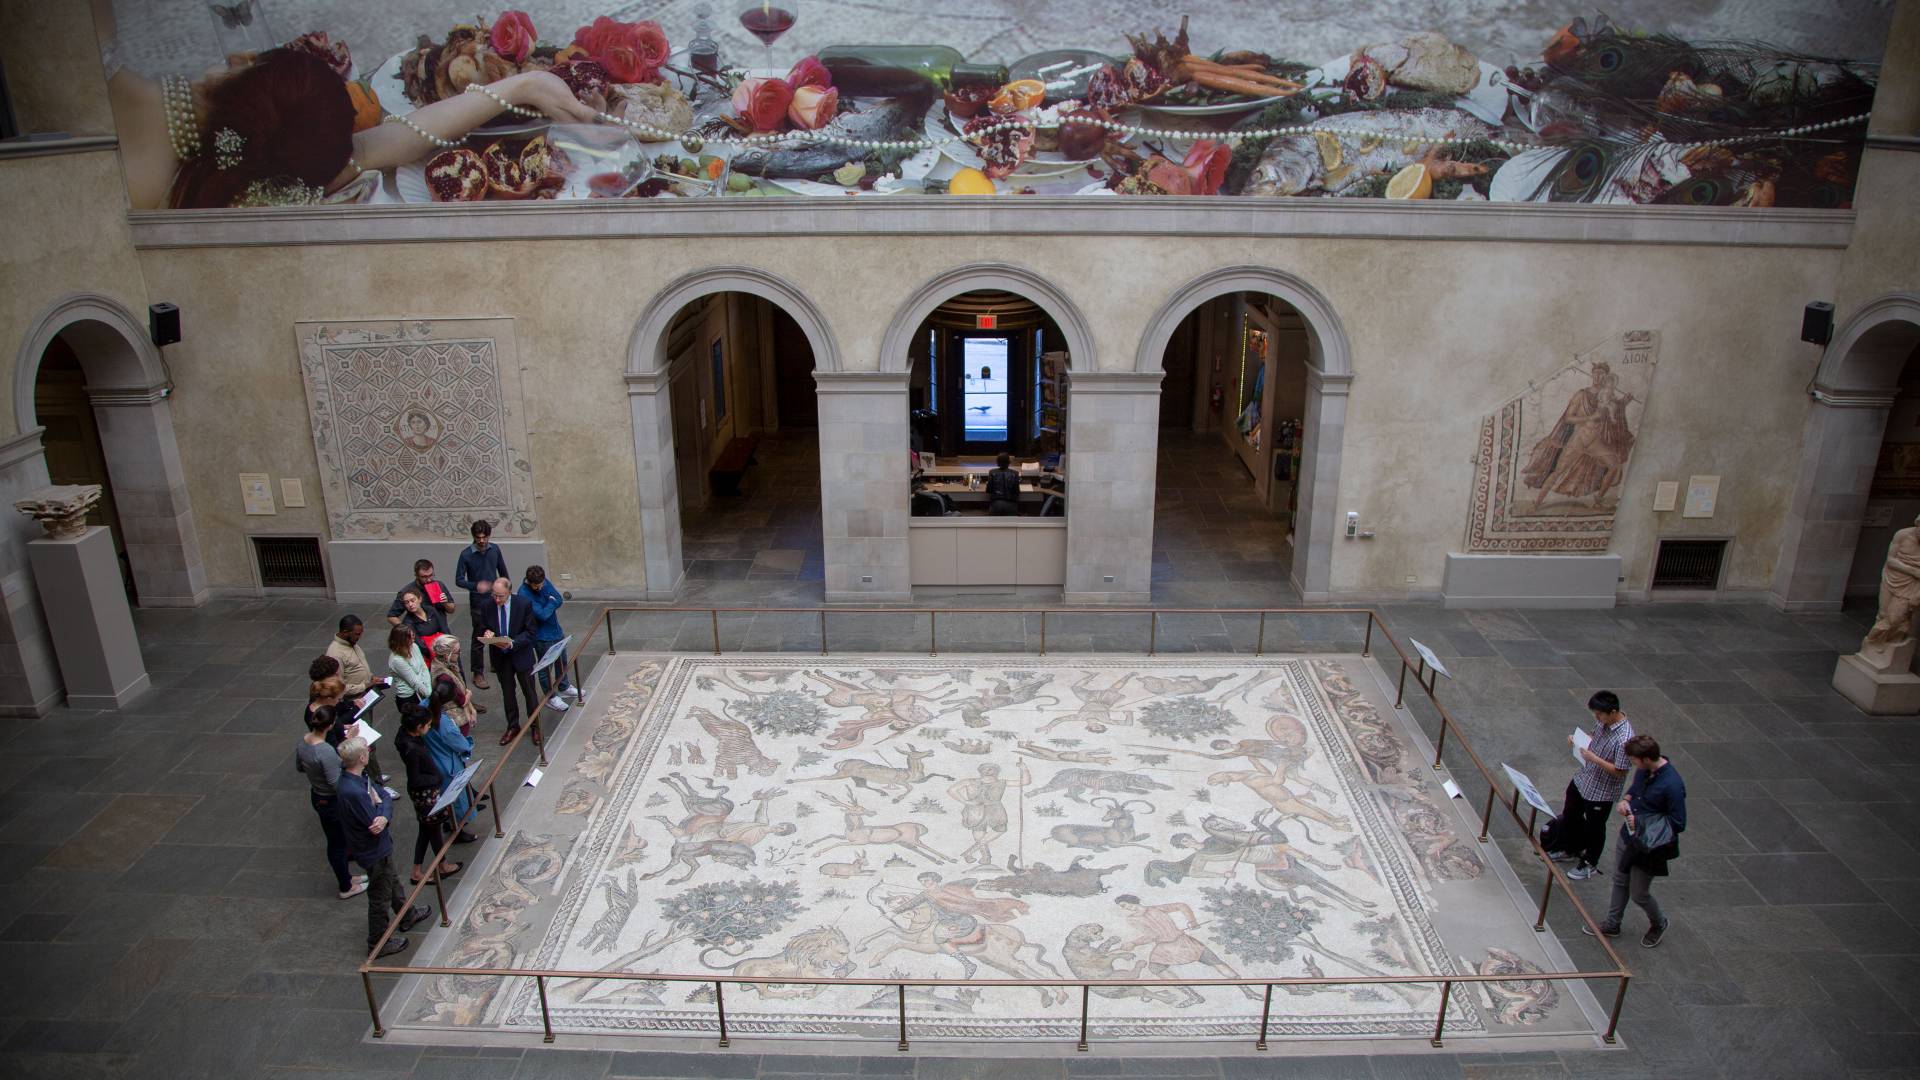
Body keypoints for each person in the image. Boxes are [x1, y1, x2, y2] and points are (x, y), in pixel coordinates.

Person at [91, 0, 599, 210]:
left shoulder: (96, 69)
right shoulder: (263, 181)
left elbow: (381, 143)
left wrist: (521, 87)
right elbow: (377, 146)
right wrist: (519, 88)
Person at [1583, 734, 1686, 949]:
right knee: (1620, 880)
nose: (1632, 764)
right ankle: (1612, 924)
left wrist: (1640, 821)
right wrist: (1626, 800)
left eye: (1634, 761)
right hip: (1628, 836)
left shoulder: (1672, 785)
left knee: (1639, 893)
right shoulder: (1643, 770)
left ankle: (1659, 922)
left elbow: (1678, 822)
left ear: (1646, 759)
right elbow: (1635, 789)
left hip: (1649, 846)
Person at [336, 737, 432, 958]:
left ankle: (407, 914)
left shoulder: (359, 777)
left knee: (392, 880)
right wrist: (382, 808)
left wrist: (382, 806)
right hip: (373, 849)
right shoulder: (354, 791)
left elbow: (383, 796)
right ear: (362, 757)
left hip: (378, 848)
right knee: (380, 896)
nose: (369, 751)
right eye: (366, 750)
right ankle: (377, 943)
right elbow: (375, 822)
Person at [1548, 690, 1635, 881]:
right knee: (1571, 812)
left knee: (1595, 827)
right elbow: (1593, 735)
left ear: (1613, 712)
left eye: (1600, 714)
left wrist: (1595, 759)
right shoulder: (1603, 721)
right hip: (1584, 778)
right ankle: (1570, 847)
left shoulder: (1625, 739)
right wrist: (1577, 740)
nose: (1597, 718)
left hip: (1602, 791)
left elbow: (1621, 770)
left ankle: (1590, 862)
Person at [296, 705, 368, 900]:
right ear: (329, 725)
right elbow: (336, 783)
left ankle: (347, 877)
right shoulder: (325, 750)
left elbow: (300, 767)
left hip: (317, 794)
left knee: (338, 840)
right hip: (330, 800)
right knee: (337, 843)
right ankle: (346, 886)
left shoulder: (303, 742)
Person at [393, 703, 465, 885]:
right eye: (427, 725)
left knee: (425, 829)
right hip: (425, 794)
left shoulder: (405, 737)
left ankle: (417, 870)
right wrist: (436, 779)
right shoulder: (412, 749)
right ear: (419, 727)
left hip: (424, 792)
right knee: (432, 829)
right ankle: (442, 864)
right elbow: (415, 779)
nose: (429, 727)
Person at [476, 577, 541, 745]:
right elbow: (482, 626)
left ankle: (535, 726)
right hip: (500, 657)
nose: (497, 600)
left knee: (529, 692)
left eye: (501, 596)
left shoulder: (523, 604)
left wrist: (513, 643)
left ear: (509, 593)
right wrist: (487, 632)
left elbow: (530, 631)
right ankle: (513, 726)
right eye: (494, 595)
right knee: (508, 693)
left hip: (521, 654)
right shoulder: (487, 605)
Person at [457, 520, 510, 689]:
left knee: (497, 630)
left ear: (489, 536)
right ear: (473, 536)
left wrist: (507, 590)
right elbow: (459, 580)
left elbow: (503, 572)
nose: (481, 540)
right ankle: (477, 673)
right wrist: (475, 586)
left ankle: (496, 662)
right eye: (478, 537)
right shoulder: (466, 555)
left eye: (484, 537)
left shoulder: (495, 549)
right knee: (479, 636)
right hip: (478, 602)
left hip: (495, 598)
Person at [517, 565, 576, 712]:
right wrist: (551, 602)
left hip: (555, 630)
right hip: (541, 636)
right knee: (545, 668)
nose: (540, 587)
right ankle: (550, 696)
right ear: (529, 582)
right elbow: (542, 615)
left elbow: (558, 599)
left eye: (542, 584)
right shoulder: (524, 594)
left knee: (562, 660)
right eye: (537, 586)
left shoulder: (543, 582)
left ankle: (564, 685)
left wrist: (550, 604)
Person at [425, 682, 482, 829]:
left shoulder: (424, 706)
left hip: (431, 757)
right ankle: (456, 828)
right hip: (447, 763)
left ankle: (452, 824)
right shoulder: (444, 723)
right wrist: (468, 744)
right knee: (456, 799)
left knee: (445, 798)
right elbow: (460, 744)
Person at [428, 634, 484, 732]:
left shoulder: (444, 664)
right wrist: (469, 694)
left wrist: (472, 710)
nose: (460, 654)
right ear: (447, 655)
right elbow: (462, 700)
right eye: (457, 652)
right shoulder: (444, 677)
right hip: (456, 719)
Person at [325, 615, 388, 698]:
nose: (360, 637)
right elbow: (337, 687)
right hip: (353, 700)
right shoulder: (335, 654)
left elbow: (359, 665)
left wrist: (371, 677)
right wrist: (364, 686)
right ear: (345, 632)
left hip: (364, 695)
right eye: (357, 634)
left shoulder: (351, 642)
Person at [387, 558, 456, 628]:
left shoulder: (439, 585)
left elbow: (451, 610)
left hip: (441, 628)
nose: (429, 580)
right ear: (416, 575)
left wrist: (445, 603)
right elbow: (391, 616)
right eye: (424, 577)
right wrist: (406, 630)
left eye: (431, 575)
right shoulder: (406, 591)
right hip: (419, 630)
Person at [386, 625, 434, 717]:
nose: (413, 639)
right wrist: (430, 695)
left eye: (413, 635)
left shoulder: (414, 646)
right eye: (410, 637)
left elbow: (423, 667)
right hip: (409, 698)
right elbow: (414, 681)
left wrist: (428, 688)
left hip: (424, 688)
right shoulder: (397, 660)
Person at [394, 586, 453, 656]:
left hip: (444, 645)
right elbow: (421, 645)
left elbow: (444, 628)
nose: (410, 604)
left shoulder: (431, 610)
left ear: (420, 599)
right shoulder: (408, 622)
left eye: (412, 600)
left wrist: (450, 643)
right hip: (430, 653)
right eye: (406, 603)